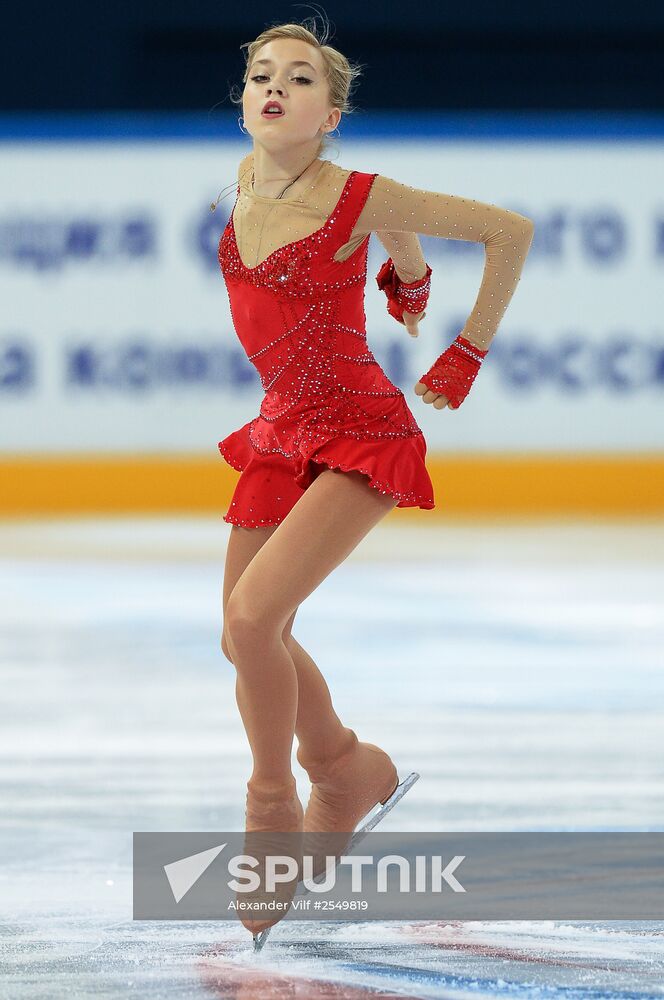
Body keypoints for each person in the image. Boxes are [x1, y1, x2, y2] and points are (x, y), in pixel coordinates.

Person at [213, 17, 535, 938]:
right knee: (245, 639)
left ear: (331, 110)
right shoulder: (242, 182)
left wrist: (465, 347)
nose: (275, 87)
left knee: (251, 620)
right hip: (282, 432)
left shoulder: (354, 190)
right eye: (260, 75)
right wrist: (408, 272)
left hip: (358, 430)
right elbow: (389, 234)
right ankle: (346, 766)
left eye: (300, 78)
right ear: (244, 103)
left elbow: (509, 232)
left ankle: (273, 801)